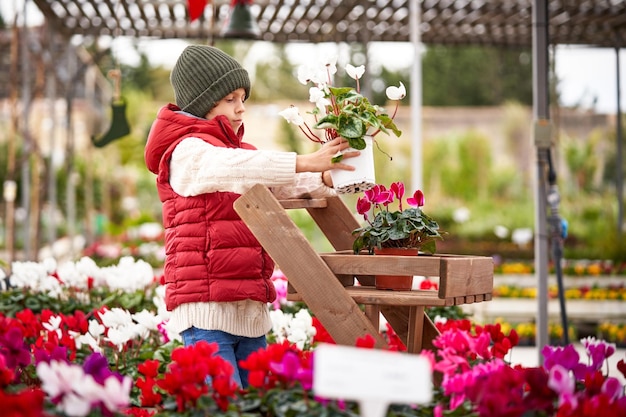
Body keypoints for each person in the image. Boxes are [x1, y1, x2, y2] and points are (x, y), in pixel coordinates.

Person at [144, 45, 359, 388]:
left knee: (259, 405)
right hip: (207, 312)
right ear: (202, 102)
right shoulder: (186, 153)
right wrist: (304, 161)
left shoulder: (241, 156)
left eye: (243, 97)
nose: (241, 108)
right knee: (224, 406)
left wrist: (325, 178)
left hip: (249, 311)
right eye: (230, 98)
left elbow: (274, 185)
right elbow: (230, 168)